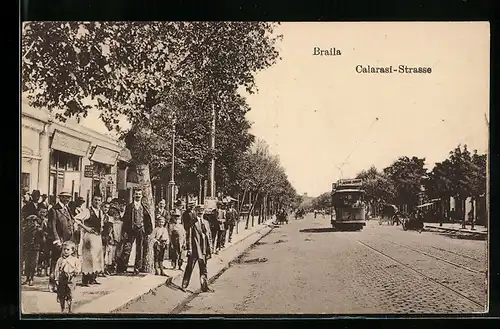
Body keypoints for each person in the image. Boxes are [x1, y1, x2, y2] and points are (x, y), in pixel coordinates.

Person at [117, 188, 153, 274]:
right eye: (136, 194)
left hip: (141, 229)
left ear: (142, 196)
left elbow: (148, 219)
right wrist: (125, 231)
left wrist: (148, 231)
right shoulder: (129, 207)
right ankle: (122, 267)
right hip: (130, 230)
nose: (138, 196)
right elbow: (125, 220)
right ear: (133, 195)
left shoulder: (144, 207)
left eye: (139, 194)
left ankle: (137, 267)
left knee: (139, 249)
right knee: (127, 248)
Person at [47, 191, 77, 293]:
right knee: (55, 263)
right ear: (60, 198)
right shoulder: (54, 210)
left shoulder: (67, 208)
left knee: (65, 263)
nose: (67, 199)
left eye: (68, 197)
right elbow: (52, 226)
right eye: (64, 197)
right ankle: (52, 284)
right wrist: (57, 240)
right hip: (59, 240)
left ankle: (61, 285)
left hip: (68, 240)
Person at [181, 204, 213, 293]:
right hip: (195, 249)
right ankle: (184, 285)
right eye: (198, 210)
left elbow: (209, 235)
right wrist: (189, 248)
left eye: (202, 210)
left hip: (203, 249)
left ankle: (204, 287)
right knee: (189, 267)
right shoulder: (192, 222)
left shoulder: (206, 222)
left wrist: (211, 247)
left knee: (203, 268)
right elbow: (189, 236)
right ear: (196, 211)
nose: (200, 212)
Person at [77, 194, 105, 286]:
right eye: (95, 200)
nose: (97, 202)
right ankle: (85, 280)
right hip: (89, 236)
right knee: (89, 257)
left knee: (97, 257)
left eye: (99, 200)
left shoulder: (100, 212)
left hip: (97, 236)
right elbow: (76, 219)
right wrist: (86, 228)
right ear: (92, 201)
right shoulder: (87, 211)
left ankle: (93, 278)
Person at [54, 240, 81, 313]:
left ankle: (70, 309)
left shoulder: (75, 260)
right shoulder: (60, 260)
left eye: (68, 249)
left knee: (70, 294)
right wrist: (56, 279)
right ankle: (62, 309)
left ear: (72, 251)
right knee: (61, 295)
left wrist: (76, 271)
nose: (65, 251)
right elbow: (57, 269)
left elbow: (78, 268)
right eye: (64, 249)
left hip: (71, 279)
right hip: (62, 279)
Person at [22, 215, 46, 286]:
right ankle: (27, 278)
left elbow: (43, 240)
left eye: (32, 221)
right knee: (27, 264)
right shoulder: (26, 229)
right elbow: (24, 238)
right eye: (29, 221)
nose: (30, 223)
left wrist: (41, 248)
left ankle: (31, 279)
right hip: (27, 248)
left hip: (35, 249)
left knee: (33, 264)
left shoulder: (39, 230)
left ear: (35, 221)